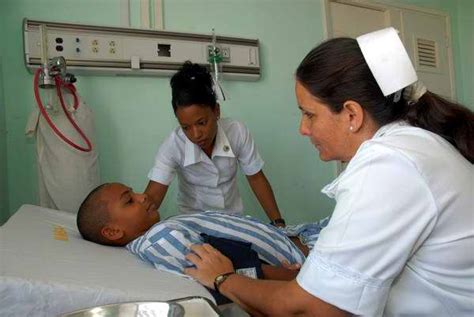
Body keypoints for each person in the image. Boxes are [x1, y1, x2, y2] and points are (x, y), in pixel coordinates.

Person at [183, 27, 474, 316]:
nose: (303, 128)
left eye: (309, 114)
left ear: (352, 114)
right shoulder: (413, 143)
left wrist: (224, 278)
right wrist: (316, 277)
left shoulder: (389, 165)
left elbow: (310, 310)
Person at [76, 182, 330, 281]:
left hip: (302, 236)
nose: (142, 197)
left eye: (133, 192)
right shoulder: (159, 239)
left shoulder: (160, 230)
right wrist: (296, 278)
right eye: (129, 201)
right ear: (112, 232)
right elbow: (231, 267)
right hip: (307, 257)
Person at [144, 61, 286, 226]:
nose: (196, 134)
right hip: (193, 225)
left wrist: (278, 223)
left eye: (202, 123)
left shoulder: (236, 132)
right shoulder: (172, 146)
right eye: (186, 127)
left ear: (216, 111)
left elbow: (256, 179)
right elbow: (153, 197)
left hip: (233, 222)